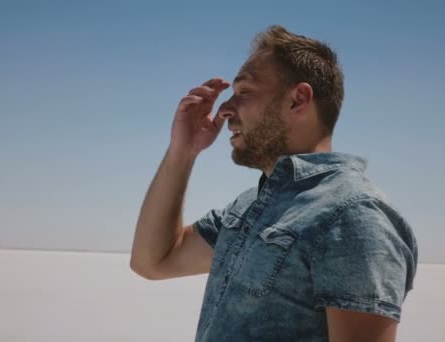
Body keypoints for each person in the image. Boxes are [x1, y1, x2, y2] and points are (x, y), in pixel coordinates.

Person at [130, 25, 418, 342]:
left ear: (298, 100)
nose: (225, 109)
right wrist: (182, 151)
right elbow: (153, 261)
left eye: (244, 92)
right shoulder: (249, 206)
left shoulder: (352, 216)